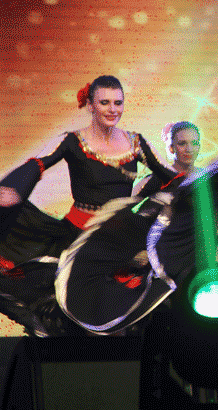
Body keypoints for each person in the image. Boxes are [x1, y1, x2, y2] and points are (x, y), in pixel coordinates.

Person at [0, 75, 177, 336]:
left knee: (120, 315)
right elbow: (36, 164)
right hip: (77, 235)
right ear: (91, 105)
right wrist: (15, 190)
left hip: (118, 240)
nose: (112, 109)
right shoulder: (72, 141)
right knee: (71, 313)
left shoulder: (136, 142)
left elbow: (170, 177)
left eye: (118, 103)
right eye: (105, 102)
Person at [133, 121, 202, 196]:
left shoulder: (206, 176)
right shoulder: (154, 180)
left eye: (194, 143)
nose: (189, 149)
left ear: (199, 147)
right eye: (182, 143)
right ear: (171, 148)